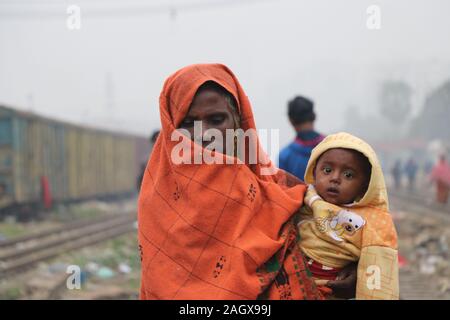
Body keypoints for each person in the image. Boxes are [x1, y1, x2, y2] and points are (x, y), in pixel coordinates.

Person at [137, 64, 356, 300]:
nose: (203, 134)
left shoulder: (283, 194)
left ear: (238, 125)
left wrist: (353, 265)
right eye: (188, 123)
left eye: (217, 119)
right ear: (171, 130)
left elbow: (336, 242)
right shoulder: (156, 204)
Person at [297, 132, 399, 299]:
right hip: (292, 283)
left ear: (365, 185)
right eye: (327, 170)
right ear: (314, 172)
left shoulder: (373, 221)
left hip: (334, 291)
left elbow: (379, 263)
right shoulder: (302, 199)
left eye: (348, 175)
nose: (335, 178)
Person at [279, 96, 325, 180]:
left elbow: (283, 189)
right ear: (314, 116)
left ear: (290, 120)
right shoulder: (331, 147)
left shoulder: (285, 156)